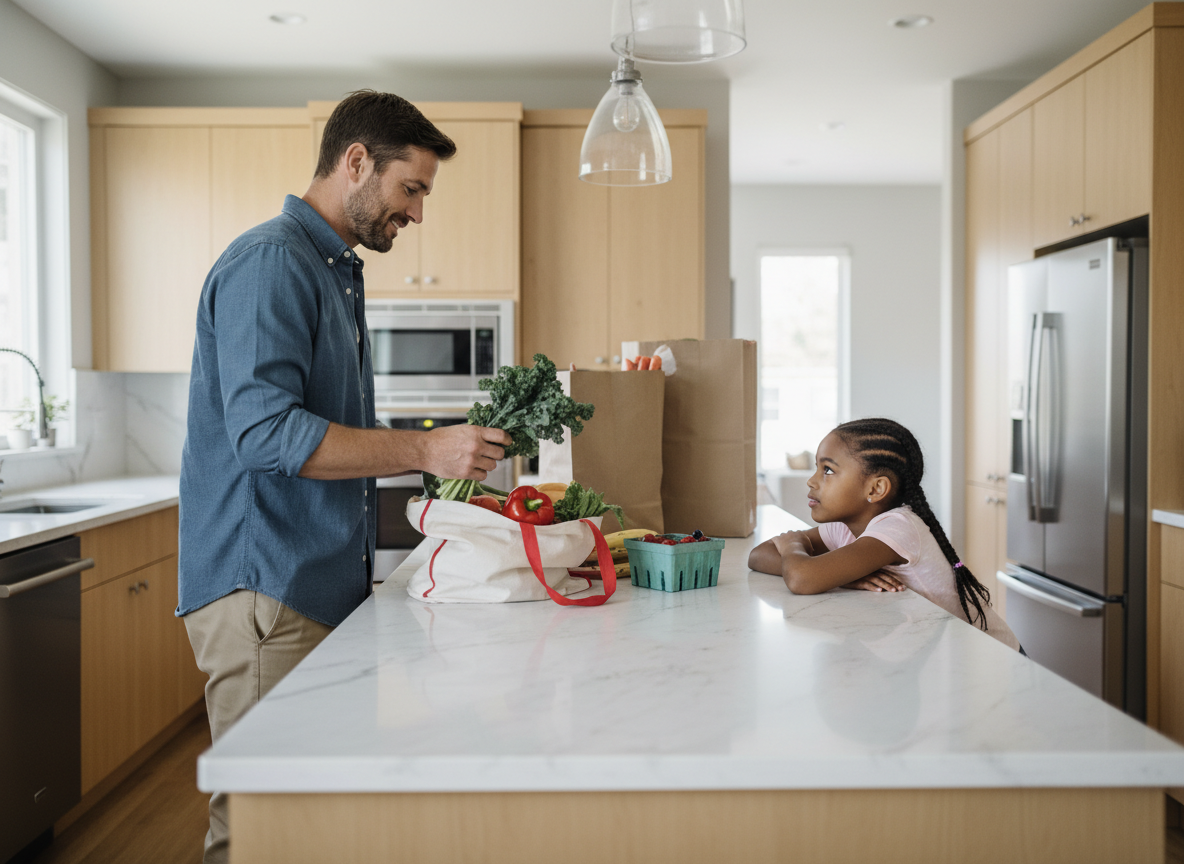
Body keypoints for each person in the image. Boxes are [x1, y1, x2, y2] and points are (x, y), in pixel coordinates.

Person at [176, 90, 512, 864]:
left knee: (311, 819)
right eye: (412, 189)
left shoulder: (333, 269)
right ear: (355, 161)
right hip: (269, 586)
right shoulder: (271, 263)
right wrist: (426, 451)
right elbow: (266, 435)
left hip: (313, 582)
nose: (418, 214)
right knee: (262, 824)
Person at [748, 417, 1020, 651]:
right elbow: (758, 556)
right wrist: (846, 577)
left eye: (828, 470)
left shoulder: (898, 527)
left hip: (997, 659)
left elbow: (801, 578)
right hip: (949, 657)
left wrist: (794, 544)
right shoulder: (843, 525)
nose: (812, 480)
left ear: (876, 489)